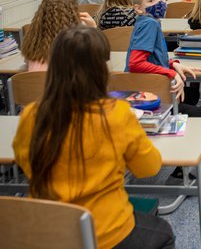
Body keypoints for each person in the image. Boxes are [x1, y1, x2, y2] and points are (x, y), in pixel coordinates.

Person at [13, 26, 175, 249]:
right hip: (107, 231)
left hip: (48, 231)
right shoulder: (117, 114)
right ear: (101, 69)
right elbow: (148, 168)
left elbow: (26, 164)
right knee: (163, 232)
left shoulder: (31, 114)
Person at [125, 0, 201, 120]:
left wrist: (172, 64)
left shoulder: (149, 21)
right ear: (138, 8)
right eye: (151, 1)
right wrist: (170, 73)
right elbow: (135, 63)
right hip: (150, 93)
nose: (160, 3)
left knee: (191, 95)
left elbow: (152, 57)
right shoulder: (149, 24)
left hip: (149, 88)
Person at [22, 0, 96, 71]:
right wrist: (94, 29)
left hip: (37, 83)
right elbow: (97, 60)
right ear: (73, 13)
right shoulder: (79, 41)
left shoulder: (33, 41)